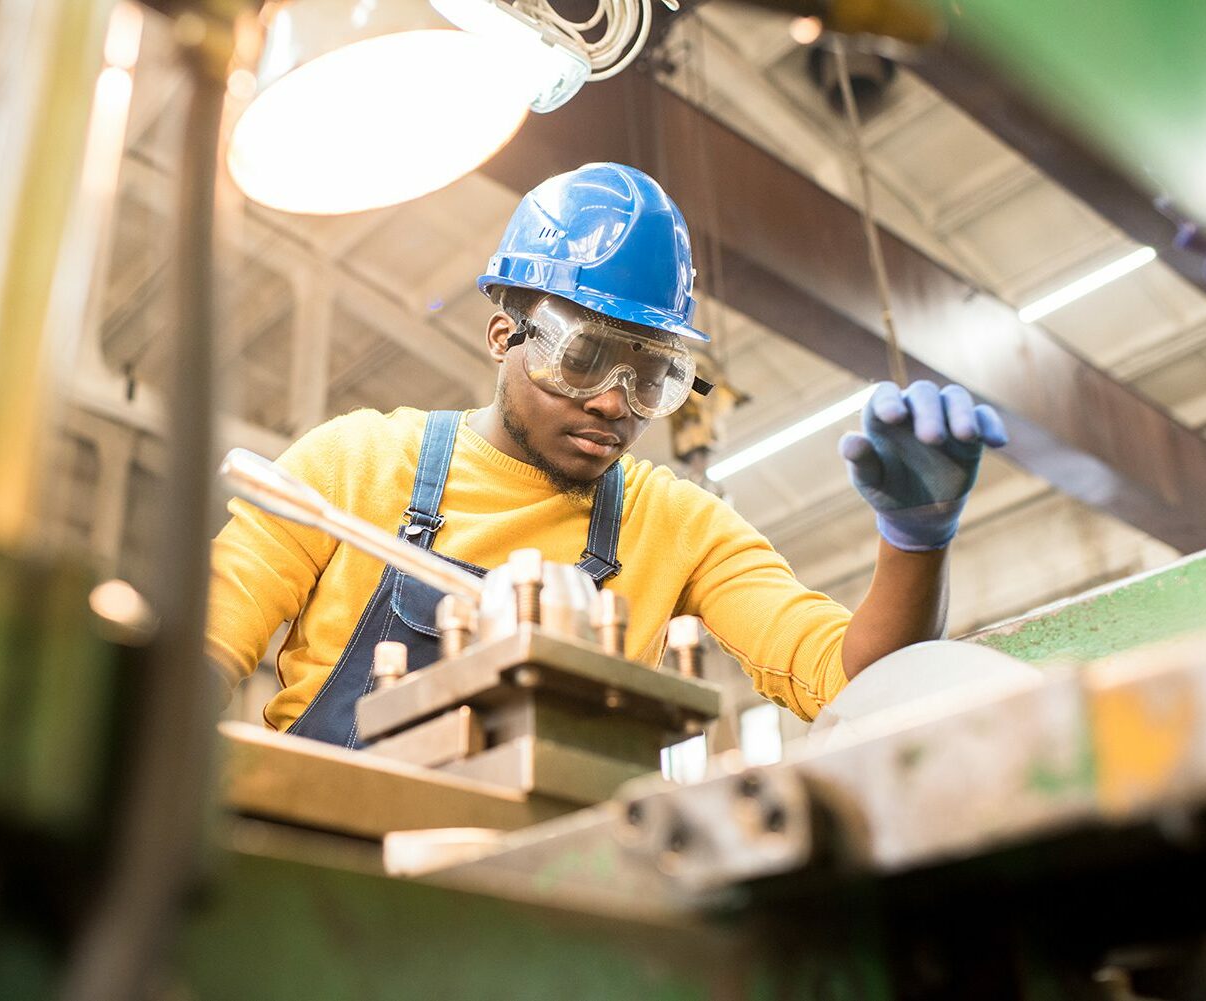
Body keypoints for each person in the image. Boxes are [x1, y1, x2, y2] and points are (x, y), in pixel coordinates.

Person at [206, 162, 1007, 748]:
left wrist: (913, 545)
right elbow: (200, 653)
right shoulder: (350, 466)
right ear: (502, 334)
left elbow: (853, 681)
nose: (615, 403)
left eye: (652, 376)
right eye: (583, 357)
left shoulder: (677, 524)